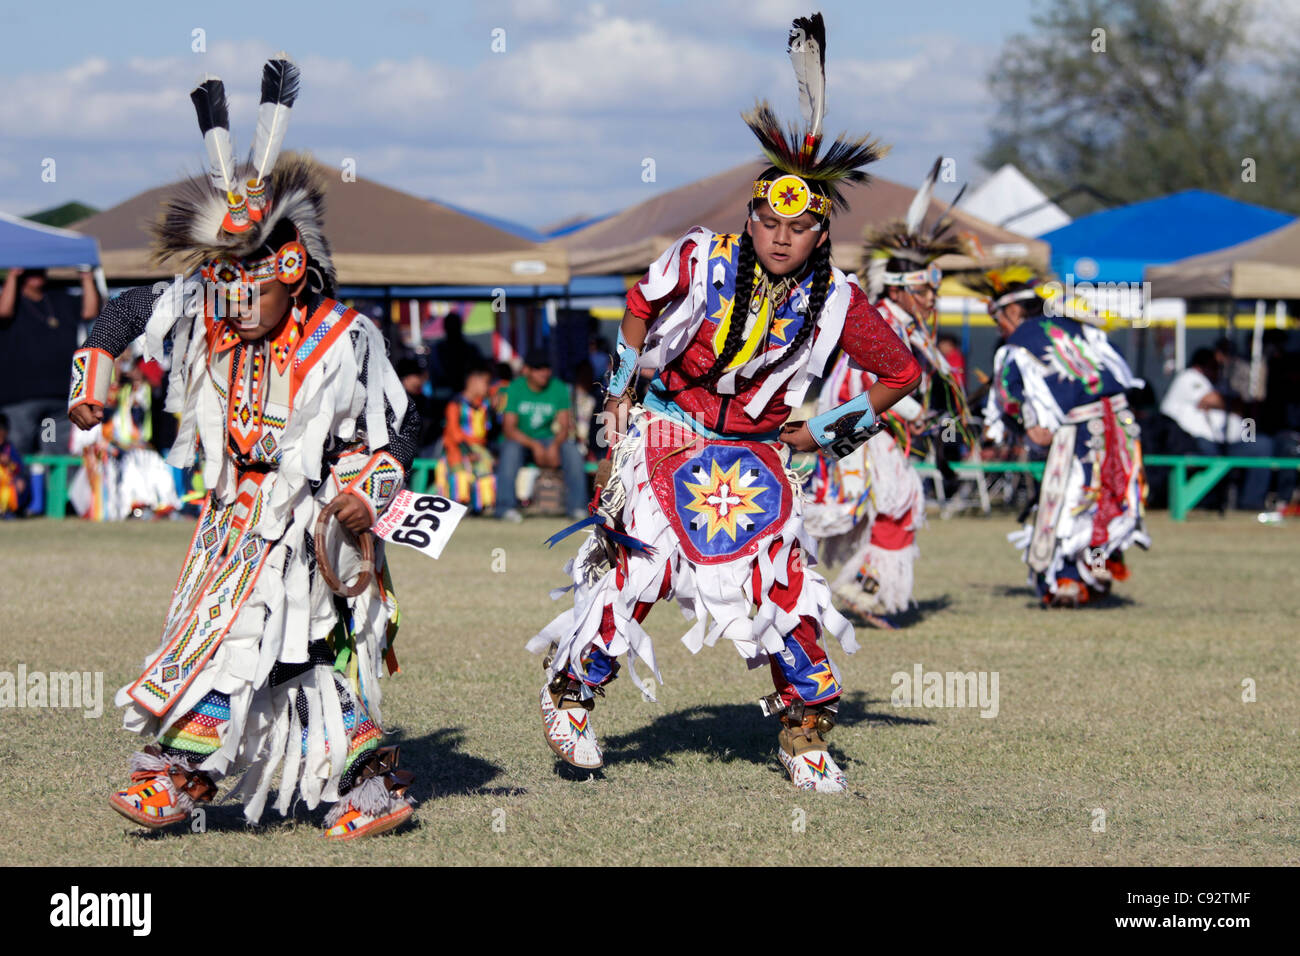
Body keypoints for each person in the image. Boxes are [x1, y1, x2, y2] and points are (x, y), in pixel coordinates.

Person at [527, 13, 921, 793]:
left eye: (798, 226)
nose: (780, 237)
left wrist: (824, 433)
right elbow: (638, 307)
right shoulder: (701, 259)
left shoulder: (838, 301)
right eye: (769, 221)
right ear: (750, 217)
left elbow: (901, 373)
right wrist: (617, 396)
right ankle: (571, 695)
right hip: (669, 431)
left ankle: (804, 735)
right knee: (639, 572)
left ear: (821, 234)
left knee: (782, 588)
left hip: (754, 453)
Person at [67, 57, 420, 839]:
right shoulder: (208, 308)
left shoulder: (346, 339)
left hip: (312, 516)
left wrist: (371, 489)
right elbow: (126, 313)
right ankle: (361, 782)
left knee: (275, 646)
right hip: (232, 519)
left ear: (292, 271)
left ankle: (186, 779)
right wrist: (90, 380)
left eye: (248, 283)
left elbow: (404, 423)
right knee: (253, 646)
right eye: (221, 280)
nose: (230, 299)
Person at [804, 159, 973, 625]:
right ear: (899, 289)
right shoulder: (880, 319)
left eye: (933, 290)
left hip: (861, 423)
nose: (932, 300)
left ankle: (857, 587)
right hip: (856, 423)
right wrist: (913, 410)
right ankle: (846, 588)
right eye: (924, 290)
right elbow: (867, 377)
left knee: (861, 507)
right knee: (869, 503)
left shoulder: (902, 323)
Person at [972, 264, 1149, 606]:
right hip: (1119, 424)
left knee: (1067, 503)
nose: (1001, 330)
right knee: (1106, 498)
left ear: (1012, 310)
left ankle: (1067, 580)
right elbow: (1116, 369)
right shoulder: (1079, 327)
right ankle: (1097, 570)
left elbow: (1009, 396)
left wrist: (1025, 426)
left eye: (1000, 321)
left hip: (1079, 431)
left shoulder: (1018, 343)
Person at [0, 266, 101, 455]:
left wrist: (87, 277)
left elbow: (90, 311)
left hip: (57, 399)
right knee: (18, 451)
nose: (36, 275)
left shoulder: (59, 298)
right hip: (20, 399)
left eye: (40, 270)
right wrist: (12, 274)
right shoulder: (11, 301)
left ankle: (51, 486)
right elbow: (3, 311)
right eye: (30, 272)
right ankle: (19, 485)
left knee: (53, 449)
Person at [1160, 347, 1275, 510]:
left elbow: (1239, 406)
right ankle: (1206, 502)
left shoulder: (1220, 384)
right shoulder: (1189, 377)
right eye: (1215, 366)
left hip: (1227, 442)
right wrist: (1230, 403)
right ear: (1201, 366)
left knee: (1262, 446)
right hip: (1193, 442)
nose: (1219, 371)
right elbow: (1211, 399)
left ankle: (1251, 502)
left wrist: (1231, 403)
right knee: (1211, 455)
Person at [495, 347, 586, 522]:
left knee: (572, 451)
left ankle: (577, 507)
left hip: (550, 439)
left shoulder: (558, 387)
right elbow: (509, 428)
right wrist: (534, 445)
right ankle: (505, 508)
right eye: (538, 368)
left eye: (547, 367)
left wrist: (554, 446)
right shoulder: (515, 388)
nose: (544, 372)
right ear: (526, 370)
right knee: (510, 450)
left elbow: (564, 426)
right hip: (521, 440)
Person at [436, 365, 496, 512]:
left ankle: (482, 505)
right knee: (460, 473)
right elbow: (453, 431)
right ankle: (460, 503)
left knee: (485, 471)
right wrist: (467, 450)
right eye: (486, 382)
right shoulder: (455, 404)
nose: (488, 387)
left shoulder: (484, 405)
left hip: (480, 448)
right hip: (458, 448)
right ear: (473, 381)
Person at [0, 413, 28, 516]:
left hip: (7, 484)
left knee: (20, 484)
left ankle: (10, 511)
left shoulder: (9, 448)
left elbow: (19, 468)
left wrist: (9, 463)